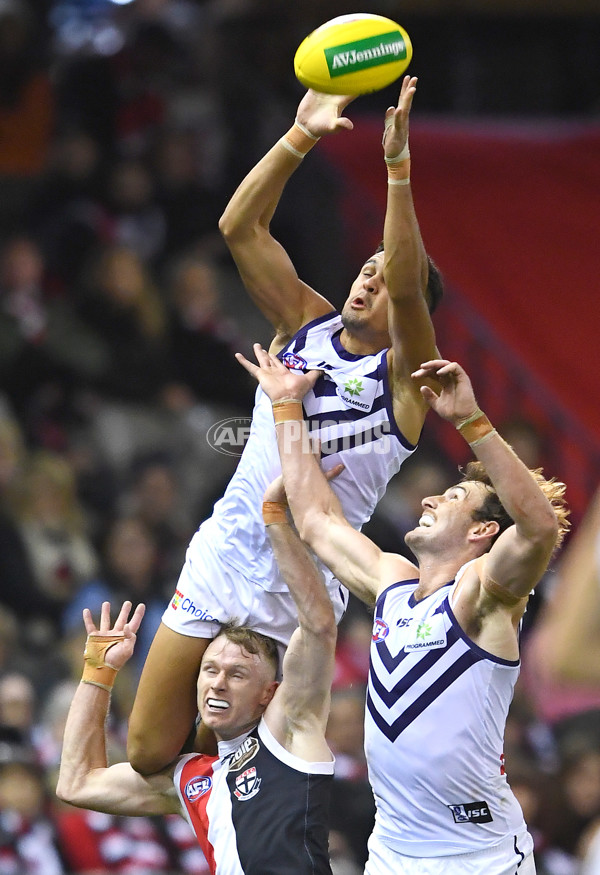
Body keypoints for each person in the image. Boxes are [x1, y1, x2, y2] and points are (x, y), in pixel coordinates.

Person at [127, 75, 445, 775]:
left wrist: (397, 169)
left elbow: (403, 275)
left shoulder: (408, 380)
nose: (368, 280)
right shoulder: (305, 321)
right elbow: (239, 227)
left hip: (298, 587)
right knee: (149, 749)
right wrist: (300, 132)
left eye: (383, 276)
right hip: (226, 550)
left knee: (261, 763)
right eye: (363, 269)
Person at [237, 346, 570, 874]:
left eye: (454, 496)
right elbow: (319, 519)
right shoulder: (391, 583)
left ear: (484, 531)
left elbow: (539, 529)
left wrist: (471, 420)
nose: (429, 500)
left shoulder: (483, 594)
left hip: (478, 856)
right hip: (393, 853)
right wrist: (285, 409)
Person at [57, 468, 341, 873]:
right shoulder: (191, 780)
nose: (218, 684)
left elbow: (319, 625)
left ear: (269, 692)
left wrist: (275, 518)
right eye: (210, 670)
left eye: (237, 674)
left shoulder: (291, 732)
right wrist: (97, 674)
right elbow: (76, 783)